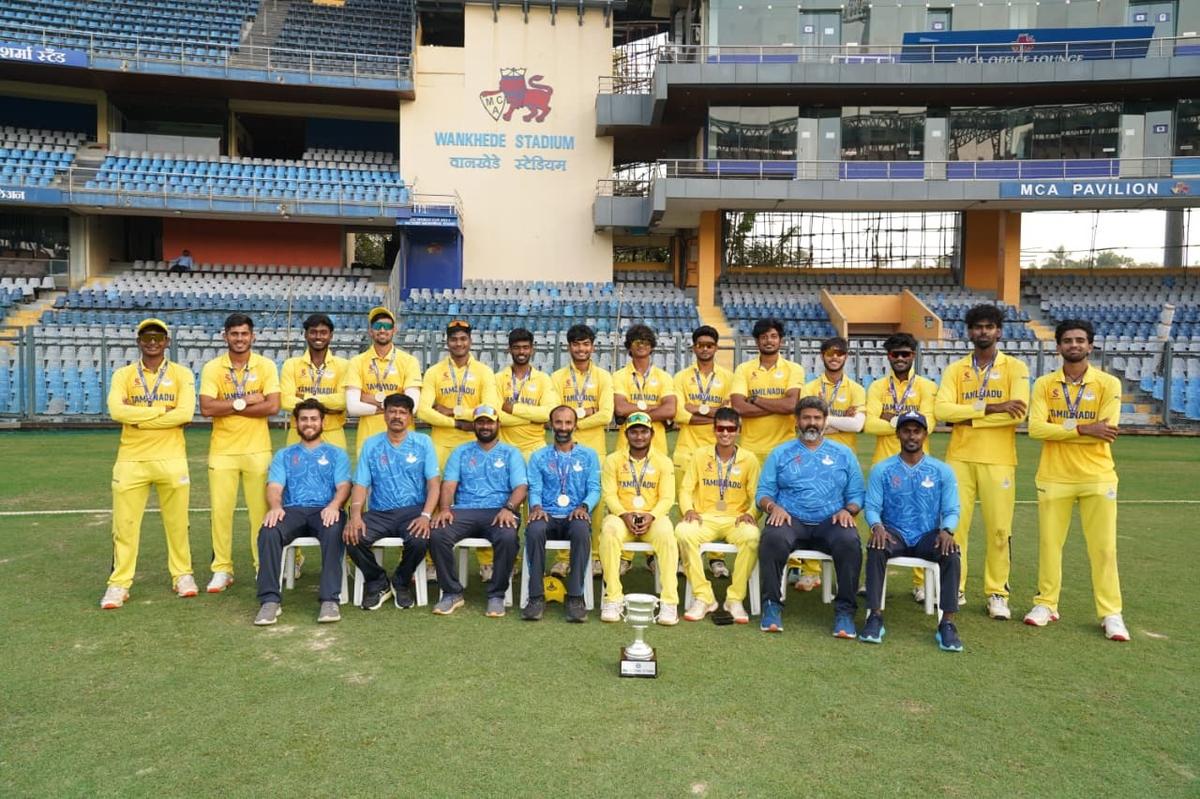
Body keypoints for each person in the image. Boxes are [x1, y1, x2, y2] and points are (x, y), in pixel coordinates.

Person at [1024, 320, 1128, 641]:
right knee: (1050, 546)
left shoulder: (1109, 384)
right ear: (1058, 347)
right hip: (1054, 477)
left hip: (1098, 477)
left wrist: (1064, 430)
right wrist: (1084, 429)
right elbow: (1035, 429)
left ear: (1090, 346)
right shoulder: (1044, 384)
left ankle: (1111, 613)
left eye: (1080, 340)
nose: (1074, 345)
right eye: (1067, 340)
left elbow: (1107, 432)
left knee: (1103, 549)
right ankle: (1046, 604)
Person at [935, 304, 1030, 620]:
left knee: (1000, 530)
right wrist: (992, 408)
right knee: (954, 527)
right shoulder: (955, 370)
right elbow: (943, 412)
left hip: (999, 460)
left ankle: (997, 593)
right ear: (969, 331)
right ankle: (954, 587)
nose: (983, 332)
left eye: (989, 326)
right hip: (959, 458)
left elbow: (1017, 415)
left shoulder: (1016, 368)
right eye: (977, 327)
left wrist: (970, 418)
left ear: (999, 331)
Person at [101, 318, 198, 609]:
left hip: (172, 460)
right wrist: (159, 411)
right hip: (131, 461)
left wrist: (139, 417)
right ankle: (118, 584)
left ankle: (182, 575)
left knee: (178, 523)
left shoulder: (181, 374)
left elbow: (184, 414)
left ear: (167, 341)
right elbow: (117, 411)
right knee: (125, 526)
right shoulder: (123, 375)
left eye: (158, 337)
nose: (152, 342)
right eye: (147, 337)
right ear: (139, 341)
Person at [756, 396, 865, 638]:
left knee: (849, 541)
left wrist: (849, 510)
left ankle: (845, 612)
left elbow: (857, 493)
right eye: (806, 418)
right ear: (797, 421)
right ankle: (772, 605)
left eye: (817, 418)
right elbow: (763, 492)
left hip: (831, 521)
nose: (812, 423)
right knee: (773, 538)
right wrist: (773, 507)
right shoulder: (780, 453)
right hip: (791, 519)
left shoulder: (843, 453)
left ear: (826, 422)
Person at [861, 411, 964, 652]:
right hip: (893, 532)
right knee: (876, 545)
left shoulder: (942, 471)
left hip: (928, 534)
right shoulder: (882, 469)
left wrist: (947, 531)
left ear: (925, 435)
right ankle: (874, 616)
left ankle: (947, 622)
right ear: (897, 434)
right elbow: (872, 506)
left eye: (916, 431)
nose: (911, 436)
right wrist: (876, 526)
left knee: (951, 551)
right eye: (906, 430)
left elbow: (952, 509)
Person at [199, 313, 280, 593]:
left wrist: (229, 404)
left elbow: (272, 407)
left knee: (261, 513)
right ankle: (222, 569)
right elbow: (207, 408)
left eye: (244, 334)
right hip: (222, 451)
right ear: (225, 337)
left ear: (253, 336)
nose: (240, 339)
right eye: (234, 334)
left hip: (257, 450)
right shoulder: (213, 368)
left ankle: (262, 566)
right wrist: (244, 402)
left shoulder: (266, 366)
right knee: (221, 513)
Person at [253, 400, 350, 626]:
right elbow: (275, 487)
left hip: (325, 509)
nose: (309, 424)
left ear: (322, 422)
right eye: (304, 419)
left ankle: (329, 600)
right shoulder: (284, 455)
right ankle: (269, 601)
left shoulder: (337, 454)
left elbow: (344, 486)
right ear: (296, 422)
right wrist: (276, 507)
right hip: (292, 510)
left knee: (333, 528)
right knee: (269, 530)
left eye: (314, 419)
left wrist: (334, 505)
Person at [344, 393, 440, 612]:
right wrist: (356, 515)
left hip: (413, 511)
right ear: (385, 415)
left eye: (402, 412)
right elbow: (360, 484)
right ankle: (378, 582)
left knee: (419, 539)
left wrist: (426, 516)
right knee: (352, 536)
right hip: (380, 512)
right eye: (392, 411)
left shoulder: (423, 443)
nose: (397, 416)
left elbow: (434, 484)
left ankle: (401, 581)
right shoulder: (372, 444)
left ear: (409, 417)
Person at [429, 406, 528, 617]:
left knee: (508, 536)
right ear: (474, 425)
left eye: (490, 422)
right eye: (481, 422)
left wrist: (509, 508)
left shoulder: (511, 453)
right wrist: (445, 509)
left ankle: (496, 595)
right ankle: (451, 592)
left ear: (498, 424)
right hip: (464, 509)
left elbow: (521, 487)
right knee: (438, 532)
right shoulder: (461, 452)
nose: (485, 426)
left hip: (499, 510)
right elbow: (449, 485)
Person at [863, 332, 938, 601]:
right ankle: (873, 577)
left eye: (905, 353)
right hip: (883, 464)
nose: (901, 358)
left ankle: (920, 582)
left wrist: (890, 417)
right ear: (888, 357)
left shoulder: (927, 387)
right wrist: (907, 420)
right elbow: (869, 424)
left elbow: (929, 423)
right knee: (876, 520)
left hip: (919, 466)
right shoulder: (876, 387)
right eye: (895, 354)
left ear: (913, 355)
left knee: (923, 519)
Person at [795, 335, 867, 592]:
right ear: (822, 356)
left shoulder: (856, 389)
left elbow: (857, 425)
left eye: (839, 353)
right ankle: (810, 572)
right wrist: (839, 419)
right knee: (811, 507)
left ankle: (850, 576)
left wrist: (825, 422)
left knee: (848, 514)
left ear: (846, 356)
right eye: (829, 353)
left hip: (844, 457)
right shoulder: (810, 387)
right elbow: (805, 426)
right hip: (813, 456)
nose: (834, 357)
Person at [675, 408, 761, 624]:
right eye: (721, 428)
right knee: (683, 532)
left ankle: (734, 599)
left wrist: (751, 513)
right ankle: (704, 597)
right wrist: (688, 511)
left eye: (730, 429)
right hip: (705, 518)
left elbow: (757, 495)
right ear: (714, 430)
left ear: (738, 431)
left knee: (752, 536)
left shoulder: (749, 459)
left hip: (736, 519)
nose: (725, 433)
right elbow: (685, 489)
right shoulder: (700, 455)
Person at [598, 412, 679, 626]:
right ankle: (613, 597)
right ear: (626, 434)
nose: (639, 436)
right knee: (609, 531)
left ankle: (670, 601)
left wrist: (651, 516)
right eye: (634, 432)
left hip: (653, 517)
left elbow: (668, 497)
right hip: (621, 516)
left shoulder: (663, 462)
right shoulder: (612, 460)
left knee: (667, 534)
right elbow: (609, 494)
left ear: (652, 434)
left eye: (644, 431)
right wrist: (624, 514)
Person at [522, 405, 601, 622]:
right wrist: (536, 507)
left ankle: (575, 596)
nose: (563, 427)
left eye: (568, 423)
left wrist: (584, 507)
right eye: (558, 422)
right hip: (547, 514)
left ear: (575, 425)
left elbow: (594, 488)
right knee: (534, 530)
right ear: (550, 425)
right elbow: (535, 488)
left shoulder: (589, 455)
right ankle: (536, 596)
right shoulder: (538, 457)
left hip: (575, 514)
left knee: (581, 530)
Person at [550, 323, 614, 574]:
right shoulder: (557, 377)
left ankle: (596, 555)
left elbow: (606, 415)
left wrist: (571, 421)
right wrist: (589, 410)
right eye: (576, 344)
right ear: (569, 347)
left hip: (595, 450)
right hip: (564, 451)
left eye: (586, 343)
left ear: (593, 347)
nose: (581, 348)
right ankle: (564, 557)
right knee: (562, 499)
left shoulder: (603, 377)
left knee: (595, 504)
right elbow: (555, 414)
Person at [673, 325, 736, 579]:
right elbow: (679, 414)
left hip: (717, 452)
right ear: (694, 347)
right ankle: (682, 555)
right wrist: (713, 412)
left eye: (710, 345)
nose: (705, 348)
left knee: (716, 504)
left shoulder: (728, 377)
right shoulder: (681, 377)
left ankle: (716, 558)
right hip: (686, 450)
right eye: (701, 345)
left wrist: (695, 409)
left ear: (716, 348)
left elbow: (729, 415)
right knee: (684, 505)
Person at [345, 306, 422, 455]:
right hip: (368, 440)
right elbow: (352, 407)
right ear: (370, 331)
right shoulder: (357, 362)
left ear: (394, 330)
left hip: (403, 441)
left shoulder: (409, 361)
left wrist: (369, 398)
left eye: (387, 326)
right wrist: (397, 404)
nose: (382, 330)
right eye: (377, 326)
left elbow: (412, 406)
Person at [730, 317, 806, 464]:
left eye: (773, 336)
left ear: (781, 340)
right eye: (763, 337)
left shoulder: (794, 369)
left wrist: (755, 400)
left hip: (785, 448)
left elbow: (791, 405)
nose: (768, 341)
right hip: (751, 449)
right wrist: (779, 406)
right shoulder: (743, 369)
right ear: (757, 341)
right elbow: (738, 407)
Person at [280, 313, 350, 450]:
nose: (318, 337)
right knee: (296, 471)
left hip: (332, 433)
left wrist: (304, 398)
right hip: (298, 433)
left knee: (334, 471)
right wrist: (328, 408)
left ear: (331, 336)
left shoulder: (344, 365)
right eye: (313, 332)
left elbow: (343, 401)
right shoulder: (291, 364)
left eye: (323, 332)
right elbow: (285, 401)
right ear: (305, 335)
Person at [613, 323, 677, 456]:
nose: (641, 345)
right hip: (625, 448)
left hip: (658, 448)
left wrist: (634, 414)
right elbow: (620, 408)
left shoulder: (664, 377)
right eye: (637, 342)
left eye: (646, 342)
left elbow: (670, 410)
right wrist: (655, 407)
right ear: (629, 346)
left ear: (652, 346)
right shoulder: (618, 376)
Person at [496, 327, 560, 457]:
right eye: (516, 347)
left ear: (532, 349)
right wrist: (532, 420)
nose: (521, 351)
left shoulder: (543, 379)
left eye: (525, 347)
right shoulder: (498, 378)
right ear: (509, 349)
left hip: (536, 449)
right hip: (505, 449)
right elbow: (496, 417)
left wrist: (513, 409)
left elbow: (548, 414)